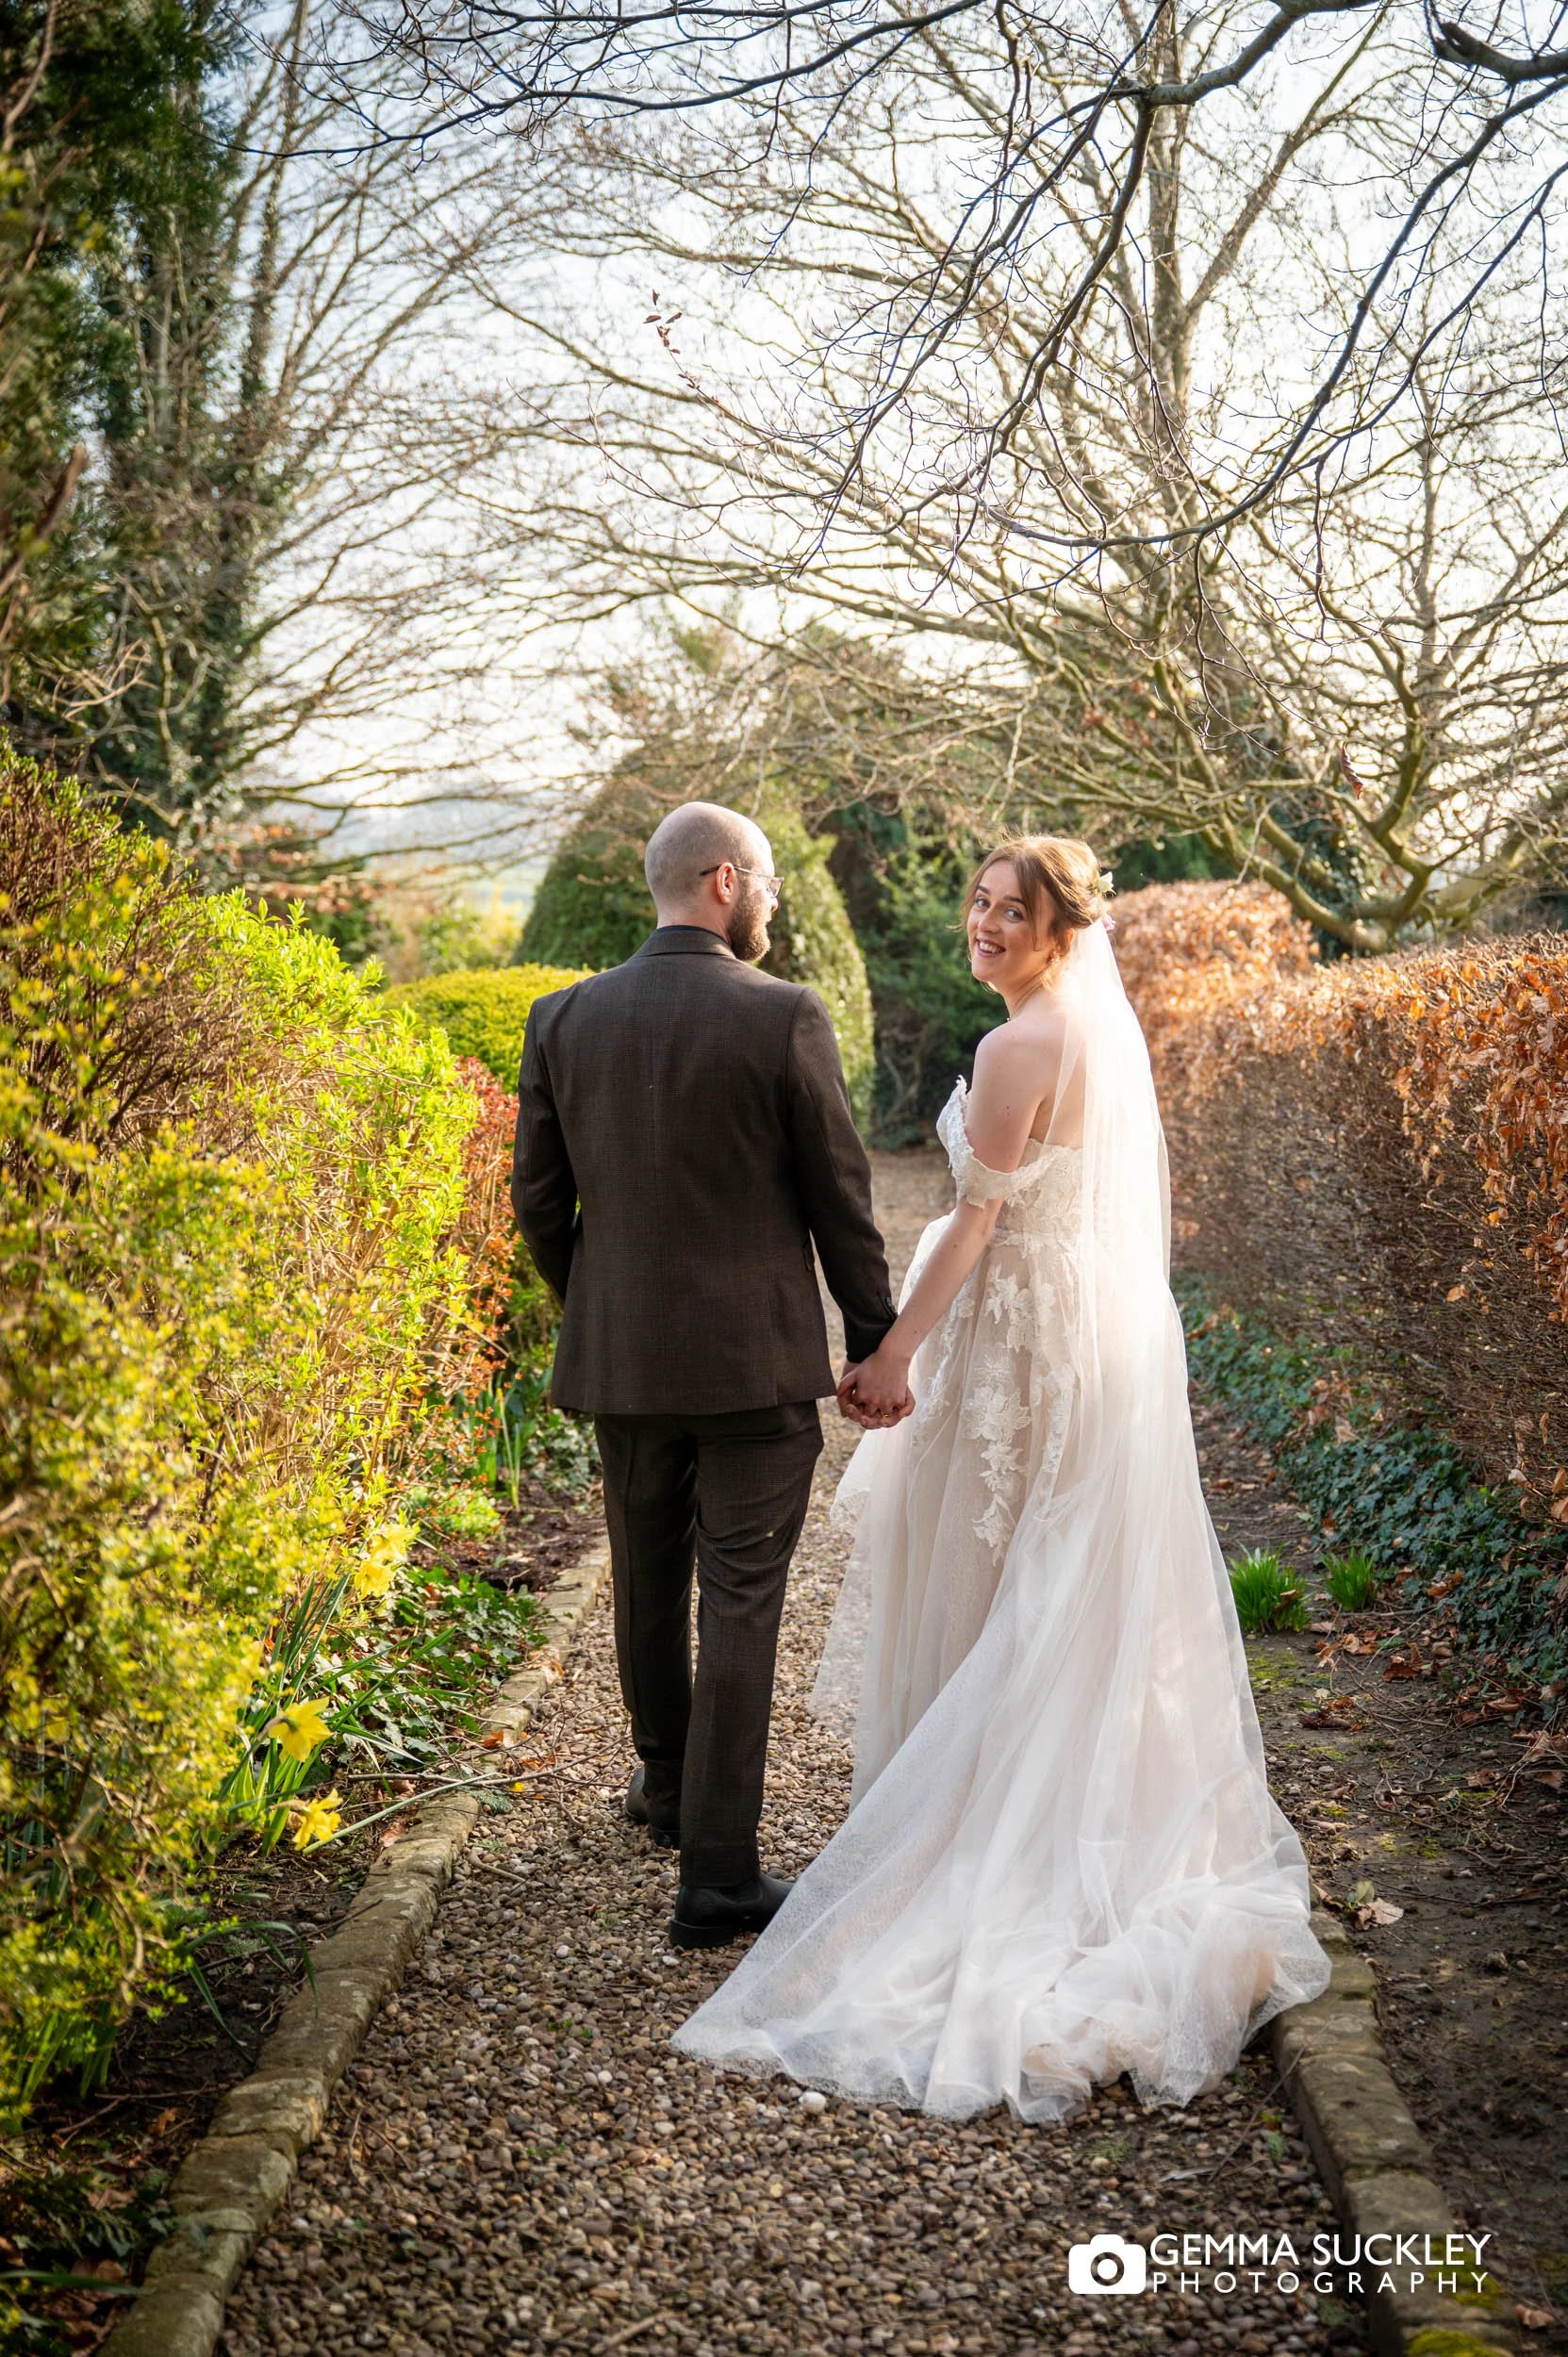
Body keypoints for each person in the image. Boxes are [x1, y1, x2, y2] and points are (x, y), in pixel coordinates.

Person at [672, 836, 1332, 2120]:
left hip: (1025, 1340)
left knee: (999, 1575)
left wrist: (891, 1354)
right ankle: (1064, 1813)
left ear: (1057, 927)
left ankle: (970, 1833)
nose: (980, 925)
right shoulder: (1081, 1032)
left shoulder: (1019, 1046)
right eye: (973, 904)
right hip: (1094, 1331)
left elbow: (975, 1218)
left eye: (1006, 910)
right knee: (1065, 1577)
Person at [511, 800, 909, 1951]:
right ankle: (721, 1873)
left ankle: (663, 1785)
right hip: (752, 1370)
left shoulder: (563, 1018)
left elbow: (540, 1202)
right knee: (740, 1597)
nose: (776, 903)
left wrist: (597, 1309)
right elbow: (842, 1201)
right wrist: (874, 1338)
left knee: (643, 1571)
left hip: (622, 1362)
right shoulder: (783, 1015)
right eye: (771, 883)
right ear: (726, 883)